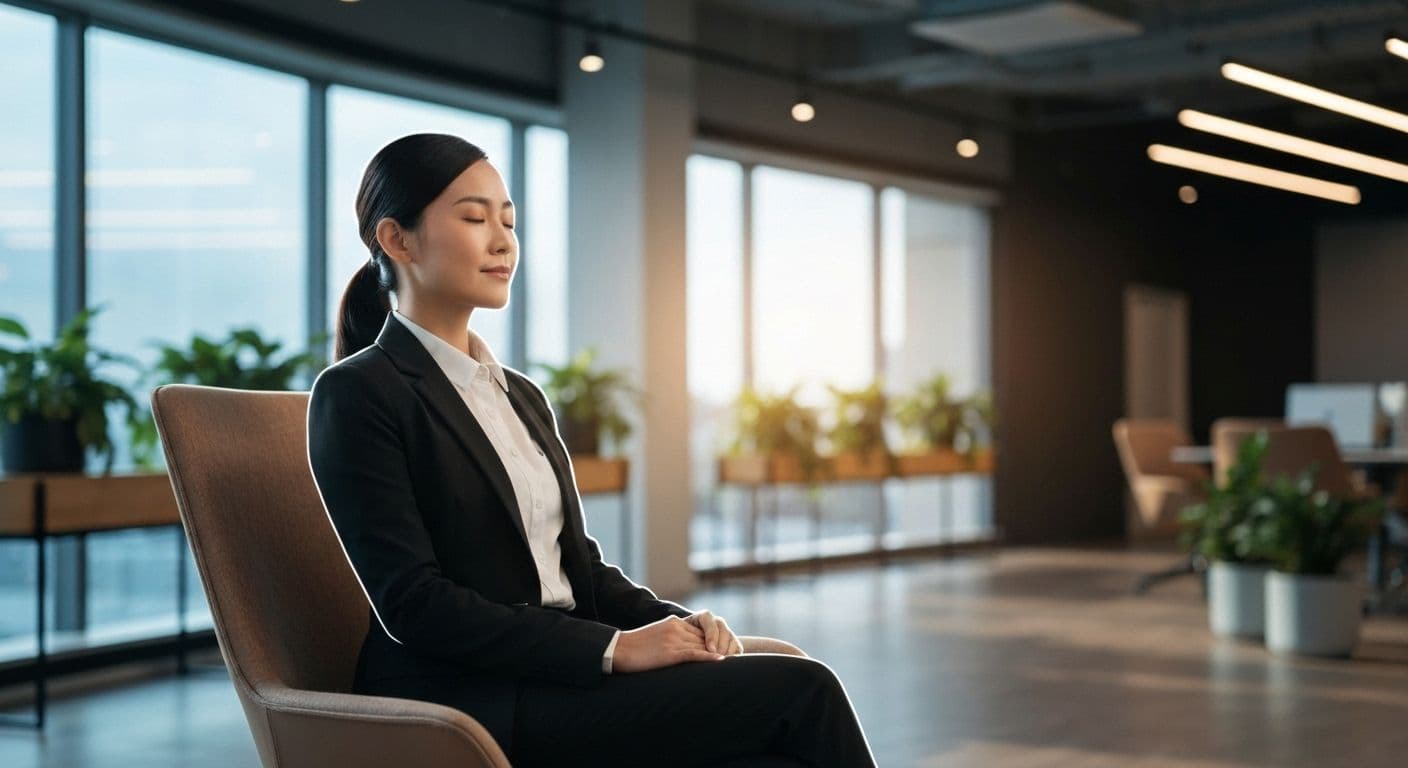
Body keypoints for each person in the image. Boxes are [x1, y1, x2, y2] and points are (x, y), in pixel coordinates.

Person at [307, 133, 877, 768]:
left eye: (509, 220)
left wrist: (682, 625)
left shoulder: (518, 395)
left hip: (560, 676)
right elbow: (416, 606)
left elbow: (581, 569)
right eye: (473, 217)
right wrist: (614, 649)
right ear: (397, 239)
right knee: (804, 693)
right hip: (472, 697)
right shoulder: (359, 393)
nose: (502, 241)